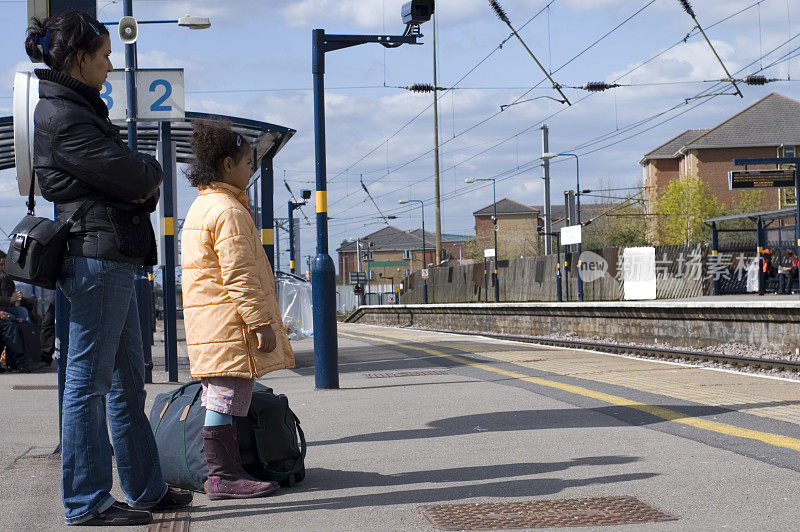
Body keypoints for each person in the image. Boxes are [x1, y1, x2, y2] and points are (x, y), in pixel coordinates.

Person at [25, 11, 191, 526]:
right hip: (96, 258)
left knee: (125, 385)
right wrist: (149, 174)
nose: (111, 62)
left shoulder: (76, 110)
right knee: (88, 385)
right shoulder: (66, 118)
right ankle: (86, 500)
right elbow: (133, 174)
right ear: (79, 59)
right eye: (103, 55)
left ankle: (144, 487)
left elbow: (129, 177)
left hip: (111, 256)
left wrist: (140, 178)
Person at [181, 120, 295, 500]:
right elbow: (240, 275)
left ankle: (227, 472)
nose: (252, 170)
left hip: (213, 322)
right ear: (228, 165)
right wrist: (261, 323)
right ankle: (223, 476)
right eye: (247, 163)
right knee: (225, 398)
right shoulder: (228, 210)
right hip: (229, 323)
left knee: (223, 395)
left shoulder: (202, 205)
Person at [0, 251, 34, 322]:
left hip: (5, 306)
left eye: (4, 264)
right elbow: (9, 297)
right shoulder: (5, 278)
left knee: (22, 311)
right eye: (1, 264)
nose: (3, 267)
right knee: (18, 314)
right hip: (4, 307)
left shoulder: (5, 277)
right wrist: (10, 299)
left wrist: (21, 299)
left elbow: (11, 296)